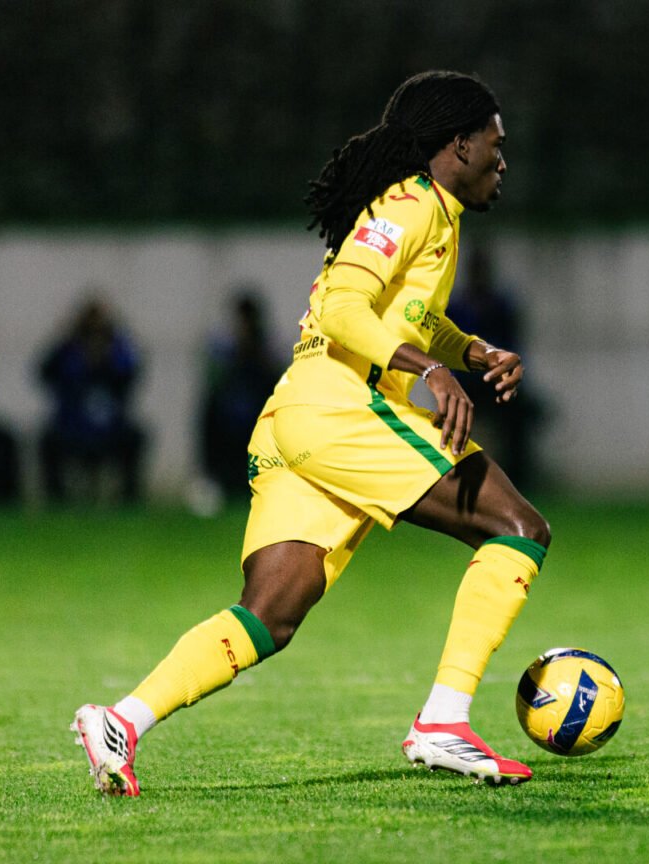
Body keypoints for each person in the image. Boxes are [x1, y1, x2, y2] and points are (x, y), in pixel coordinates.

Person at [72, 71, 549, 795]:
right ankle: (444, 720)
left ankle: (122, 720)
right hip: (342, 407)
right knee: (518, 527)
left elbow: (407, 315)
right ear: (459, 144)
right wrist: (429, 372)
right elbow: (344, 312)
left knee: (270, 614)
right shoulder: (410, 204)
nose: (503, 161)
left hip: (302, 417)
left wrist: (470, 353)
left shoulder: (434, 215)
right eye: (495, 144)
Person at [445, 248, 542, 488]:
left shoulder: (500, 303)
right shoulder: (458, 304)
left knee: (519, 417)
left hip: (495, 379)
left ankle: (519, 479)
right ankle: (452, 476)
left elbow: (512, 344)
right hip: (466, 382)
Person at [37, 295, 147, 505]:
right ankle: (56, 499)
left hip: (111, 427)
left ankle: (129, 497)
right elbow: (44, 371)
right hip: (73, 426)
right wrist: (64, 339)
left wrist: (111, 349)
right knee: (48, 440)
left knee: (136, 437)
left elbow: (133, 370)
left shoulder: (118, 350)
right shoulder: (68, 350)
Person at [197, 288, 283, 503]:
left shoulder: (267, 346)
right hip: (229, 412)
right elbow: (213, 379)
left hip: (258, 411)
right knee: (209, 414)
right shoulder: (224, 346)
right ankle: (213, 479)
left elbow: (279, 380)